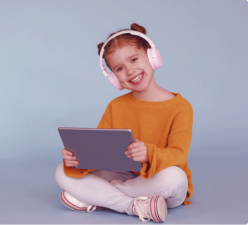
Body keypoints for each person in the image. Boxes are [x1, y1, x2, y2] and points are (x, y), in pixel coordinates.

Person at [55, 23, 193, 223]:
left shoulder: (180, 107)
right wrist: (77, 159)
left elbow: (179, 155)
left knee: (176, 177)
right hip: (120, 174)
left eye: (134, 59)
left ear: (151, 56)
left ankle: (100, 198)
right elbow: (98, 151)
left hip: (155, 180)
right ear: (114, 78)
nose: (130, 71)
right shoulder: (116, 106)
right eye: (120, 68)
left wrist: (148, 153)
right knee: (62, 172)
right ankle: (133, 206)